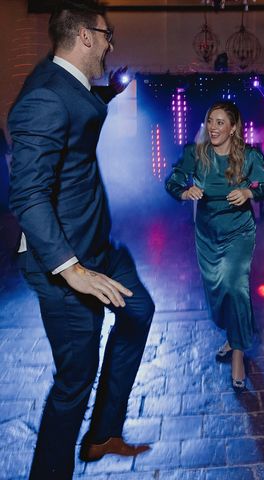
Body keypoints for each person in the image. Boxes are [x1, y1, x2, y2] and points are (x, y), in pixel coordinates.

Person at [8, 1, 154, 478]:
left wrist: (110, 92)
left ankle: (101, 435)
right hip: (65, 265)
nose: (112, 43)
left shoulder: (67, 83)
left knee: (138, 311)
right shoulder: (44, 98)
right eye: (108, 35)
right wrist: (72, 271)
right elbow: (27, 195)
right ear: (86, 36)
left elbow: (78, 114)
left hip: (97, 247)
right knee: (75, 380)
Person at [165, 101, 264, 392]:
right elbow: (173, 181)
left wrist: (247, 191)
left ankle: (239, 354)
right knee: (218, 293)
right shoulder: (196, 154)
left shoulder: (249, 156)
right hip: (207, 234)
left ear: (233, 128)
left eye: (220, 123)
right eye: (210, 121)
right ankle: (232, 332)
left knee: (236, 286)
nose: (213, 128)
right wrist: (184, 189)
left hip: (239, 232)